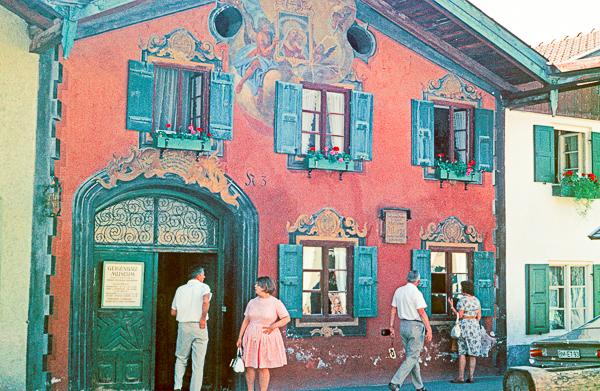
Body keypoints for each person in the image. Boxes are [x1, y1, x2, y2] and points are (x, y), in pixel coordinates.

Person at [237, 276, 291, 391]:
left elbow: (286, 318)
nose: (255, 286)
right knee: (249, 366)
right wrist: (240, 337)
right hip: (251, 335)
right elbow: (246, 320)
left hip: (266, 337)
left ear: (265, 287)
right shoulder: (252, 302)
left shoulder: (276, 303)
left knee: (263, 367)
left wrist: (273, 326)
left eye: (258, 284)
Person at [388, 270, 433, 391]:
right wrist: (429, 329)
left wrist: (391, 327)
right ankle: (395, 382)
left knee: (411, 357)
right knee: (413, 357)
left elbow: (393, 310)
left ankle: (419, 386)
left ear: (407, 279)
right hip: (415, 326)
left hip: (403, 325)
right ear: (418, 281)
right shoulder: (416, 293)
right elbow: (422, 312)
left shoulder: (399, 291)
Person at [171, 265, 212, 391]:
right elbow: (206, 301)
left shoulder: (180, 289)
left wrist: (185, 313)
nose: (204, 277)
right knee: (198, 363)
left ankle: (177, 387)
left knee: (181, 358)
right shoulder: (204, 287)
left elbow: (173, 312)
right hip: (199, 326)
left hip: (184, 326)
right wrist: (202, 318)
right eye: (203, 274)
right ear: (198, 276)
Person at [447, 280, 482, 384]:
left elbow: (460, 315)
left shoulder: (462, 300)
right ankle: (471, 377)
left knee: (462, 351)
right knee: (472, 353)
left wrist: (452, 306)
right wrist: (474, 323)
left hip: (465, 326)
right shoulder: (476, 300)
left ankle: (461, 377)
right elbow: (479, 315)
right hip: (475, 325)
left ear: (464, 289)